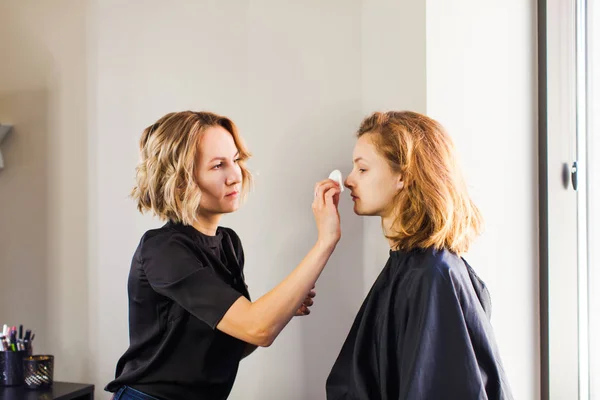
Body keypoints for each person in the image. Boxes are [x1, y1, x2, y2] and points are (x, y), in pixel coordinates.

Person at [105, 111, 342, 400]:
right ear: (181, 179)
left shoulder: (228, 243)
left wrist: (283, 309)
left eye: (236, 160)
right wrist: (326, 240)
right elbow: (258, 329)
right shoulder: (163, 250)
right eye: (218, 165)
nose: (235, 175)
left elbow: (234, 343)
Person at [326, 111, 513, 400]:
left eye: (362, 169)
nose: (349, 180)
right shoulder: (410, 266)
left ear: (403, 176)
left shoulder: (432, 275)